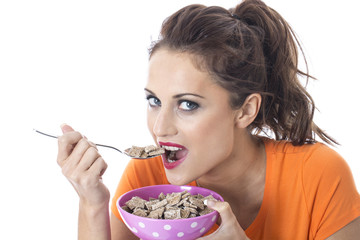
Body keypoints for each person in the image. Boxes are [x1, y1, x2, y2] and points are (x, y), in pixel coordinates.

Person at [56, 0, 360, 239]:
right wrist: (92, 203)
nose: (160, 128)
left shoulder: (317, 176)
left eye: (188, 104)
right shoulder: (147, 179)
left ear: (245, 110)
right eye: (154, 101)